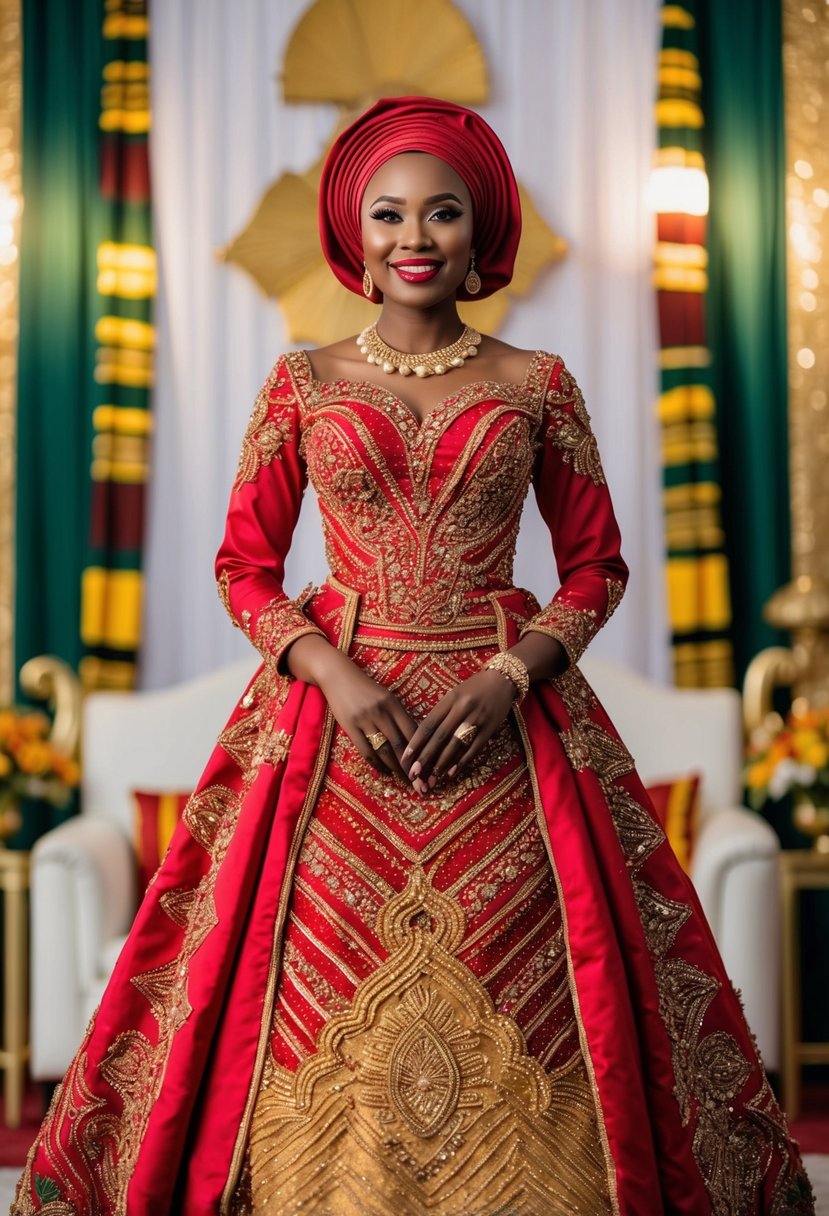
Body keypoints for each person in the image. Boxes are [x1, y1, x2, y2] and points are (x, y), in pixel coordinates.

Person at [13, 96, 813, 1216]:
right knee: (299, 990)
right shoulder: (301, 384)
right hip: (339, 739)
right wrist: (331, 672)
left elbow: (597, 570)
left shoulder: (537, 384)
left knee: (537, 984)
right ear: (355, 235)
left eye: (442, 213)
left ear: (480, 234)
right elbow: (242, 566)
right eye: (390, 214)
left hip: (505, 739)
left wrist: (511, 674)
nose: (415, 236)